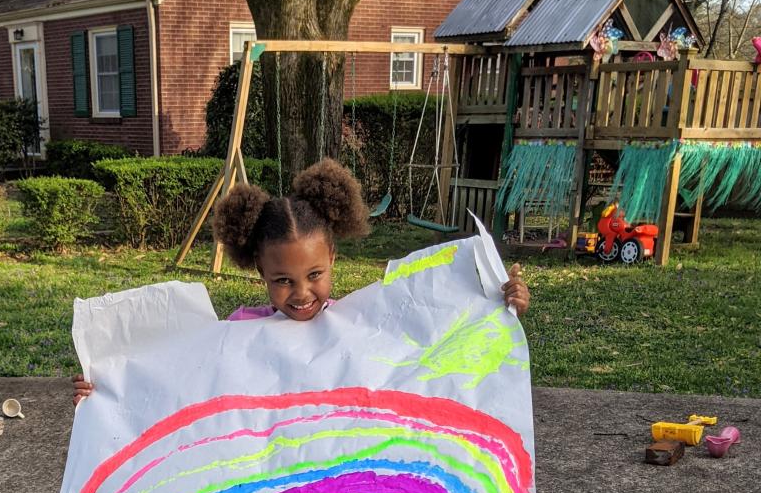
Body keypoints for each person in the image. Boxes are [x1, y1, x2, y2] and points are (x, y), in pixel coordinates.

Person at [73, 159, 529, 404]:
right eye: (283, 280)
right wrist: (111, 388)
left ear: (332, 256)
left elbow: (428, 351)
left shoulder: (360, 322)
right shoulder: (239, 331)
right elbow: (183, 380)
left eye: (315, 275)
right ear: (259, 272)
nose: (303, 293)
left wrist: (496, 306)